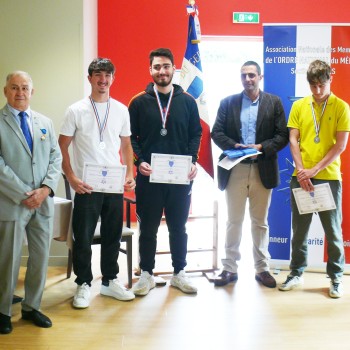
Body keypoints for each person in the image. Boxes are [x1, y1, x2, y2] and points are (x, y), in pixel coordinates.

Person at [58, 58, 136, 309]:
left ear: (113, 78)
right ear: (89, 78)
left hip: (113, 184)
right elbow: (62, 146)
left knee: (113, 234)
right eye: (98, 74)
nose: (103, 80)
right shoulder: (76, 110)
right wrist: (71, 177)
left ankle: (109, 281)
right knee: (82, 236)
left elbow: (126, 145)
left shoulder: (121, 110)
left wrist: (130, 173)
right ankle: (83, 284)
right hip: (87, 186)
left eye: (108, 75)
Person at [128, 48, 202, 296]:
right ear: (150, 70)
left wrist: (193, 161)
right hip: (149, 178)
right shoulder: (138, 102)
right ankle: (146, 274)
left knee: (178, 227)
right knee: (147, 228)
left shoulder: (188, 102)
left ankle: (179, 273)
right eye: (157, 67)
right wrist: (139, 161)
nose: (162, 71)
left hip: (180, 179)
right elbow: (132, 138)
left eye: (166, 66)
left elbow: (196, 134)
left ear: (173, 69)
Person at [211, 61, 289, 288]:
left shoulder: (273, 102)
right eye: (244, 75)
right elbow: (216, 132)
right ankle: (229, 269)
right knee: (234, 221)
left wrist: (261, 147)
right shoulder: (228, 103)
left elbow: (282, 135)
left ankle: (262, 268)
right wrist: (234, 145)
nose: (248, 79)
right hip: (235, 169)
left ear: (260, 77)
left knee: (260, 223)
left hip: (262, 168)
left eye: (252, 75)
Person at [278, 60, 350, 298]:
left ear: (330, 80)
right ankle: (296, 273)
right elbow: (292, 139)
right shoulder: (299, 106)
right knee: (299, 231)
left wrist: (314, 170)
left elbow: (340, 146)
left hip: (328, 178)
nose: (318, 90)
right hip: (301, 179)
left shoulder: (341, 107)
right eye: (313, 85)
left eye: (322, 84)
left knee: (333, 231)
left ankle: (336, 277)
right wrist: (301, 171)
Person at [0, 71, 62, 334]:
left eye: (25, 87)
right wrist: (26, 193)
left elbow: (55, 157)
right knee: (9, 259)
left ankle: (32, 307)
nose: (20, 92)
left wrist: (46, 189)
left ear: (32, 92)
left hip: (42, 203)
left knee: (40, 257)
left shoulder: (44, 121)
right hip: (13, 202)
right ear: (6, 91)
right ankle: (3, 310)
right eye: (14, 87)